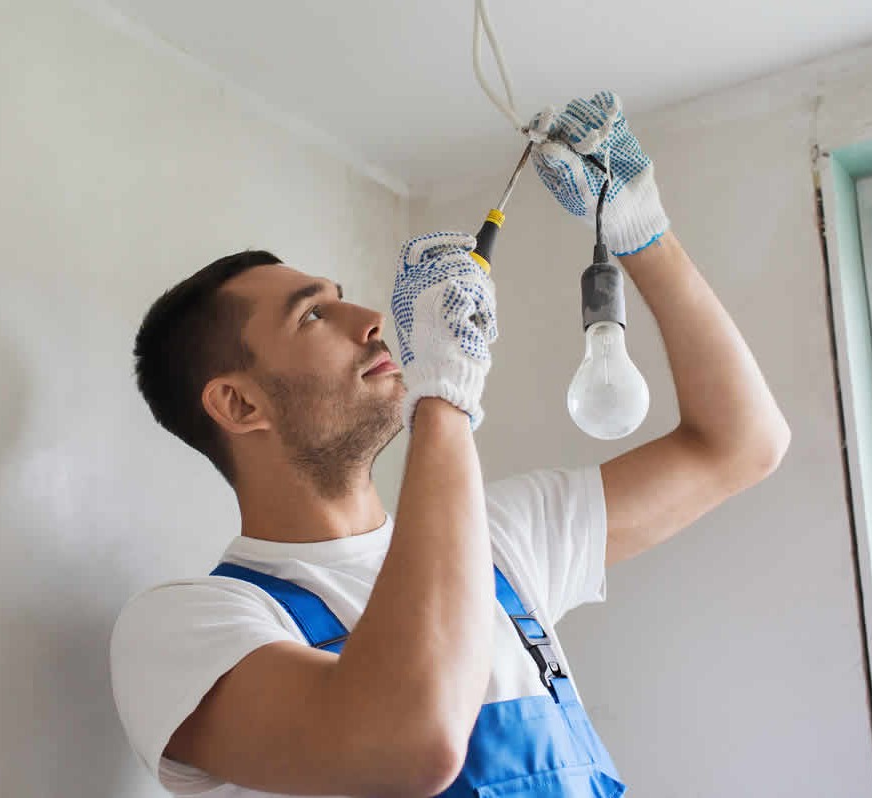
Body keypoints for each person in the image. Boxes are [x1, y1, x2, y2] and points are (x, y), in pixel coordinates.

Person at [110, 91, 790, 797]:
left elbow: (741, 443)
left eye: (342, 296)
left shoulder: (496, 540)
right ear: (239, 404)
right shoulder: (190, 628)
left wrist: (638, 229)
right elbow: (414, 742)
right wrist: (443, 396)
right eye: (312, 315)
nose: (370, 319)